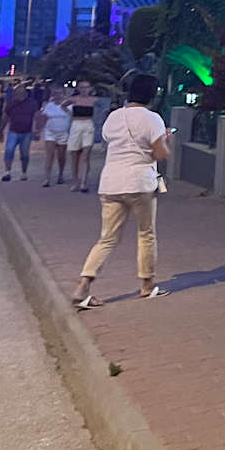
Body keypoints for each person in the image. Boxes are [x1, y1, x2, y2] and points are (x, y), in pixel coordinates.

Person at [71, 73, 170, 307]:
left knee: (107, 238)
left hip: (111, 182)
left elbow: (108, 139)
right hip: (139, 182)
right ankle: (147, 285)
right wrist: (167, 140)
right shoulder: (152, 118)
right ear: (152, 95)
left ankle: (83, 286)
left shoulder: (114, 117)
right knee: (146, 234)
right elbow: (161, 154)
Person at [64, 79, 98, 193]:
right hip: (76, 124)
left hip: (88, 124)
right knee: (74, 154)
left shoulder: (93, 100)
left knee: (86, 154)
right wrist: (70, 114)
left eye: (86, 87)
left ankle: (84, 182)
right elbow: (63, 106)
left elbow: (101, 108)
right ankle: (75, 182)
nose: (84, 90)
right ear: (78, 89)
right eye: (82, 87)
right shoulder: (74, 99)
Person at [1, 86, 41, 181]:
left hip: (27, 132)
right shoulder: (11, 104)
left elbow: (37, 117)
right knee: (9, 151)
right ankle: (7, 172)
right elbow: (5, 117)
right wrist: (1, 130)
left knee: (25, 154)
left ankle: (24, 172)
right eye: (17, 93)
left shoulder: (32, 104)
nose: (18, 95)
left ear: (25, 94)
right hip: (13, 131)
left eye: (20, 93)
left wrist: (37, 130)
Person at [38, 88, 70, 187]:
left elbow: (72, 118)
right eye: (56, 93)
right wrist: (39, 130)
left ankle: (61, 174)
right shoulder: (49, 106)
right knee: (49, 155)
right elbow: (43, 118)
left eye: (60, 93)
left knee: (61, 156)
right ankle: (47, 177)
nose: (58, 95)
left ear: (63, 94)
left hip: (63, 133)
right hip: (50, 133)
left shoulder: (69, 105)